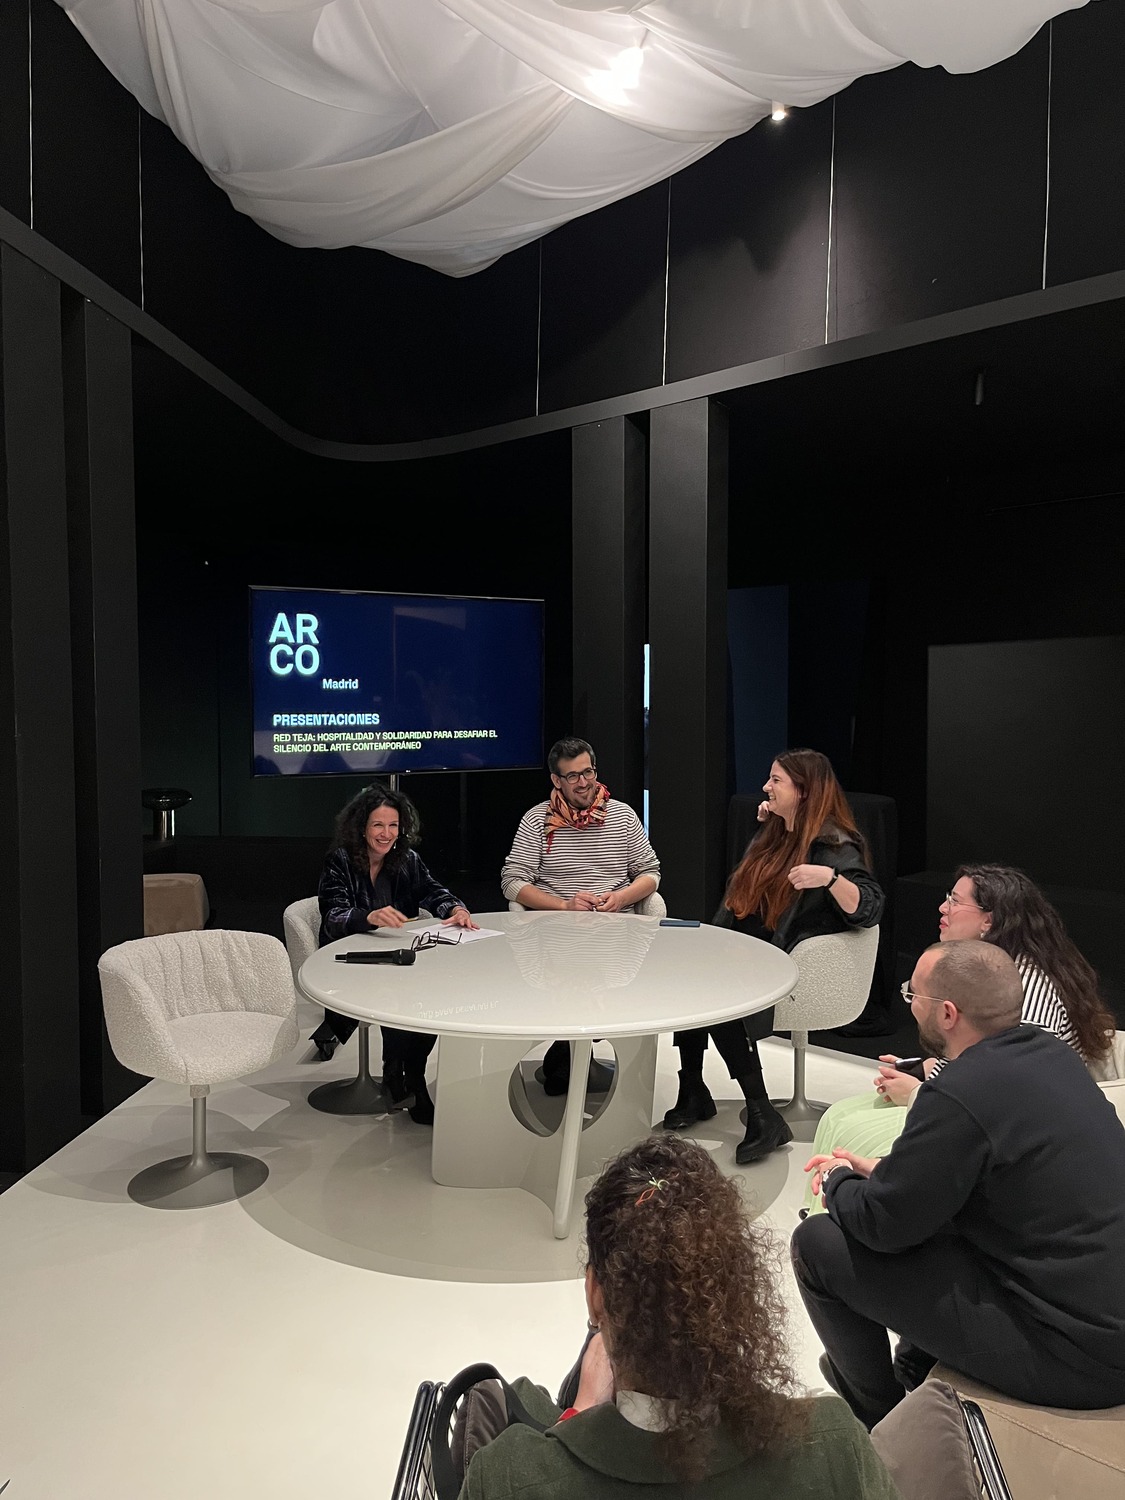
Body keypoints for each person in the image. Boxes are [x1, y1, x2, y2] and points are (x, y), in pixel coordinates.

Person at [793, 939, 1125, 1430]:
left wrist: (836, 1179)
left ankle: (878, 1419)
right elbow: (972, 1179)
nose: (910, 1004)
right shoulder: (1052, 1056)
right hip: (1099, 1322)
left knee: (816, 1243)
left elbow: (884, 1226)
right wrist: (884, 1173)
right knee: (939, 1223)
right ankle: (913, 1367)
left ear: (947, 1013)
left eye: (914, 995)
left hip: (1078, 1357)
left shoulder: (959, 1091)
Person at [457, 1136, 898, 1499]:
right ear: (737, 1289)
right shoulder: (835, 1447)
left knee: (506, 1397)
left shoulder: (506, 1478)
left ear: (595, 1296)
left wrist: (580, 1413)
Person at [803, 864, 1116, 1214]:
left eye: (955, 900)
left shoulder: (1024, 987)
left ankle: (836, 1212)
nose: (943, 908)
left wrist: (918, 1093)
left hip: (1007, 1129)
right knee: (839, 1115)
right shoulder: (984, 971)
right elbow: (985, 1065)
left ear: (988, 921)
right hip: (979, 1103)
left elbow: (1012, 1089)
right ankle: (822, 1208)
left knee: (856, 1133)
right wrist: (925, 1070)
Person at [664, 749, 883, 1164]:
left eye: (776, 781)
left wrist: (830, 878)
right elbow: (747, 895)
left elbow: (870, 908)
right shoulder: (780, 831)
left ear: (804, 791)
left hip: (789, 965)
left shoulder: (833, 845)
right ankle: (692, 1088)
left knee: (718, 991)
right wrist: (768, 827)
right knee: (688, 973)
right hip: (751, 952)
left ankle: (762, 1113)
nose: (766, 787)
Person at [501, 737, 660, 1095]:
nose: (584, 782)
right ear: (556, 781)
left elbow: (650, 872)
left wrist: (621, 898)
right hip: (555, 937)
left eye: (588, 772)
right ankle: (568, 1056)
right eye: (572, 776)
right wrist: (563, 906)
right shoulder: (537, 820)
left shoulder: (623, 816)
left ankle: (569, 1058)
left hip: (616, 937)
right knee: (566, 978)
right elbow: (512, 881)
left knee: (618, 979)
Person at [310, 782, 477, 1124]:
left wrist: (454, 908)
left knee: (431, 995)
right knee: (401, 994)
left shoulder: (407, 859)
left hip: (396, 955)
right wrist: (368, 916)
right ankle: (400, 1076)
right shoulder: (340, 860)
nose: (386, 834)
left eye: (393, 825)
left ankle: (409, 1074)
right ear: (362, 827)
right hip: (350, 959)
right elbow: (333, 917)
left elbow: (432, 891)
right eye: (378, 825)